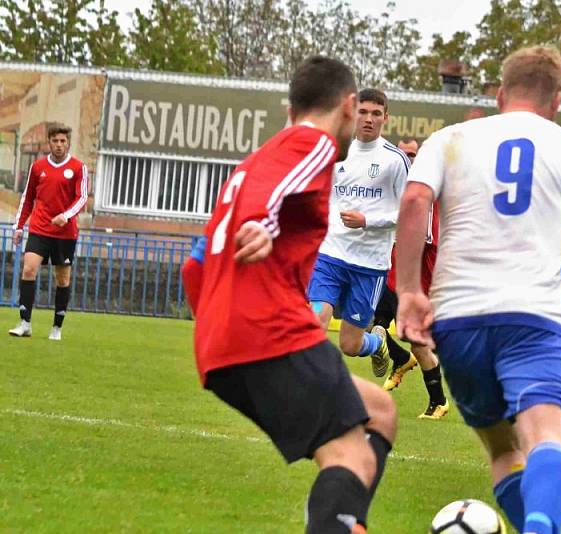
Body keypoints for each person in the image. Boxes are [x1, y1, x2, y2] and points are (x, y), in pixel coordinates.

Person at [395, 45, 561, 534]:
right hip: (533, 319)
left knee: (503, 452)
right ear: (557, 100)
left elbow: (413, 200)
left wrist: (409, 290)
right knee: (546, 438)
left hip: (457, 321)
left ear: (498, 93)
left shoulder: (449, 139)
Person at [181, 56, 397, 534]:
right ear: (347, 105)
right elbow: (270, 199)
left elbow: (194, 264)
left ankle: (336, 520)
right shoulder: (312, 144)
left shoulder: (257, 159)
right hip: (266, 330)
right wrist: (262, 222)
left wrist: (219, 327)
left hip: (222, 342)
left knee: (379, 412)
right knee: (350, 455)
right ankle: (332, 523)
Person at [307, 88, 409, 377]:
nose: (368, 119)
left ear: (385, 118)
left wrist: (368, 220)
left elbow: (411, 214)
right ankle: (310, 387)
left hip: (369, 264)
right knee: (317, 318)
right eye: (363, 112)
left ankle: (377, 343)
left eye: (376, 113)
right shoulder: (334, 151)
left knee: (350, 344)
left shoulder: (395, 160)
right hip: (331, 254)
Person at [372, 137, 449, 420]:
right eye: (404, 154)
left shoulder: (423, 192)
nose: (408, 160)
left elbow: (423, 238)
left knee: (417, 339)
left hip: (413, 273)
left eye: (413, 155)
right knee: (365, 319)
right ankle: (400, 358)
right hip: (392, 267)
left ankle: (438, 400)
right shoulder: (399, 188)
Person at [9, 124, 89, 341]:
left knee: (62, 279)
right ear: (49, 143)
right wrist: (19, 226)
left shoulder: (78, 167)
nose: (59, 145)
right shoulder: (38, 167)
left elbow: (82, 197)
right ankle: (25, 323)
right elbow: (27, 198)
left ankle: (57, 327)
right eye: (55, 141)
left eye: (63, 141)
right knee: (28, 269)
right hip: (39, 228)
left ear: (68, 143)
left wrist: (67, 215)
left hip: (65, 232)